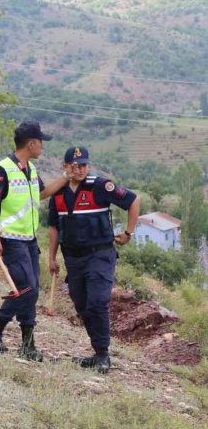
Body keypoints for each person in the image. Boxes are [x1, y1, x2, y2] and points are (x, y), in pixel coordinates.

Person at [48, 146, 140, 374]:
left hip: (99, 255)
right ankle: (96, 350)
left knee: (97, 302)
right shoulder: (58, 193)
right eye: (74, 165)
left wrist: (128, 233)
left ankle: (102, 354)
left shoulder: (100, 186)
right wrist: (51, 257)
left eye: (84, 165)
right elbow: (53, 227)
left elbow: (133, 201)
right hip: (72, 258)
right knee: (82, 305)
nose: (79, 169)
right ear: (65, 166)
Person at [0, 121, 69, 361]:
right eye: (41, 142)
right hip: (11, 240)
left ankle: (25, 344)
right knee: (27, 289)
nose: (43, 147)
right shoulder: (3, 169)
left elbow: (41, 193)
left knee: (31, 289)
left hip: (29, 240)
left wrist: (65, 177)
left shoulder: (29, 168)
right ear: (31, 144)